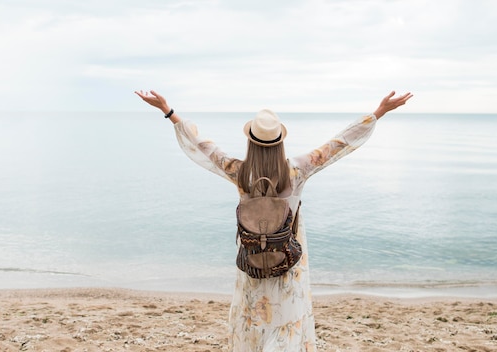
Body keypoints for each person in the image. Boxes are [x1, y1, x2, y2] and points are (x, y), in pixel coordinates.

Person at [135, 89, 413, 351]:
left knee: (255, 320)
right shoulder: (296, 170)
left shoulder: (239, 172)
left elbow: (204, 147)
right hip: (288, 263)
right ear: (280, 141)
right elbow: (338, 144)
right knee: (286, 324)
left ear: (250, 142)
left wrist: (169, 111)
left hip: (253, 262)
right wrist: (378, 113)